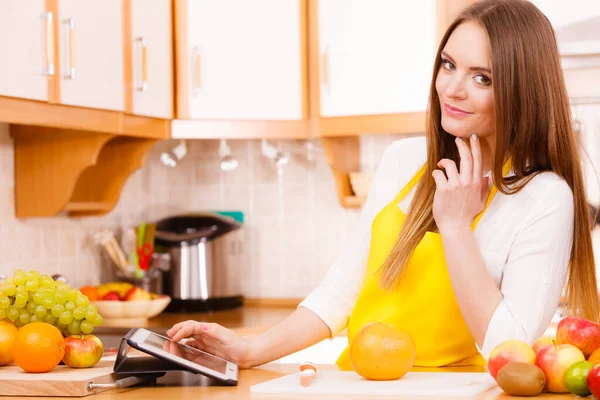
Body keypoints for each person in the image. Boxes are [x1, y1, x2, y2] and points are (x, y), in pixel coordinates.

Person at [166, 0, 600, 369]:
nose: (451, 88)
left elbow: (511, 348)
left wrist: (455, 228)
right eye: (448, 65)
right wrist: (251, 348)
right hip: (360, 384)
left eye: (481, 77)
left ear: (522, 90)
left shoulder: (544, 197)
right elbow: (344, 289)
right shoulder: (404, 161)